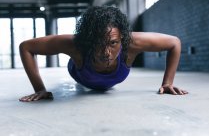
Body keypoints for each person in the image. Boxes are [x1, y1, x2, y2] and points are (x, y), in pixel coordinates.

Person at [19, 6, 188, 102]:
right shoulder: (75, 44)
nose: (106, 52)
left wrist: (167, 83)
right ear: (88, 40)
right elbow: (26, 47)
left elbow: (174, 43)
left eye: (113, 43)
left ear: (122, 38)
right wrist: (39, 89)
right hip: (80, 72)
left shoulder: (133, 42)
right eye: (98, 44)